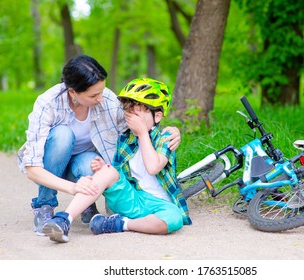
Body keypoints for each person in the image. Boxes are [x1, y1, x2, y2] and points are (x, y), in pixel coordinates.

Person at [17, 55, 181, 236]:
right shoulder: (48, 104)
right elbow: (32, 167)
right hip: (52, 162)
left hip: (83, 163)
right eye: (94, 95)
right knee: (63, 135)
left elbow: (140, 123)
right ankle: (45, 205)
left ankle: (88, 204)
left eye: (102, 90)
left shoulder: (108, 101)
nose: (101, 98)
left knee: (92, 162)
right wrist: (72, 188)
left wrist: (171, 130)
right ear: (72, 93)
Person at [41, 78, 192, 243]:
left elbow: (153, 167)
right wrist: (103, 168)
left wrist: (142, 133)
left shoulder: (165, 138)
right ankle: (64, 219)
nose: (132, 120)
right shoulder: (125, 139)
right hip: (130, 198)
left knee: (173, 219)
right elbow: (119, 173)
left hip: (159, 204)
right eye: (129, 114)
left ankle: (122, 224)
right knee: (107, 171)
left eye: (138, 114)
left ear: (157, 115)